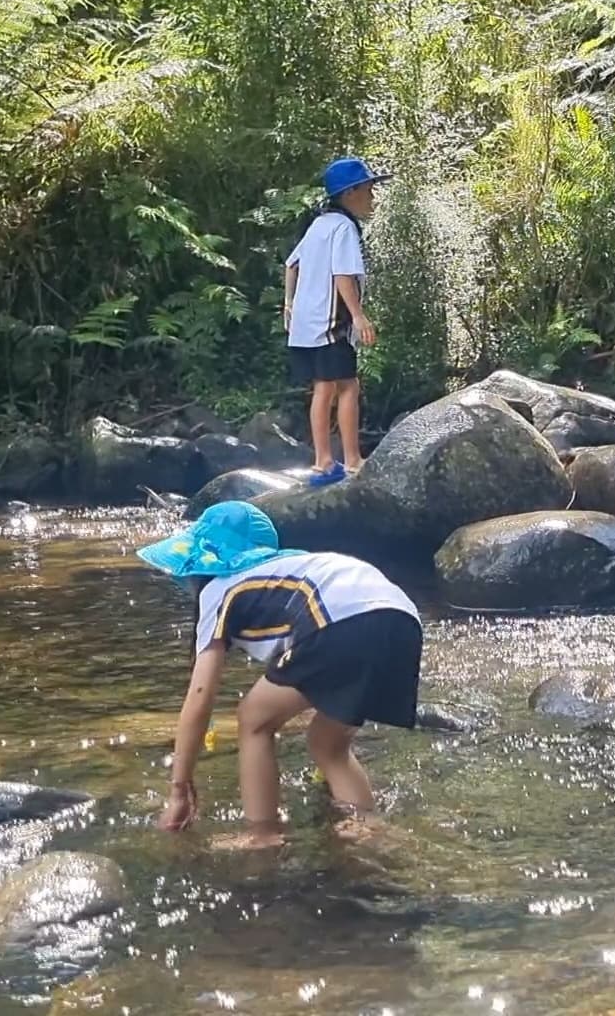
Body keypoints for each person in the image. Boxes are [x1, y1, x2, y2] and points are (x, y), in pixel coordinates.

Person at [138, 501, 422, 849]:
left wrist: (179, 788)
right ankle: (366, 826)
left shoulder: (219, 588)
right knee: (328, 744)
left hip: (339, 622)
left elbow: (200, 700)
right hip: (402, 619)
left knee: (254, 719)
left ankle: (264, 835)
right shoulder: (286, 568)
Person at [285, 157, 388, 486]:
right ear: (351, 193)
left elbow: (291, 264)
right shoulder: (343, 227)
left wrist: (288, 304)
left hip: (306, 321)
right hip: (329, 323)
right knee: (347, 387)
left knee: (324, 388)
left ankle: (323, 461)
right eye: (369, 190)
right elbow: (342, 274)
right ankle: (351, 458)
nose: (373, 197)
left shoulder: (319, 224)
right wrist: (358, 316)